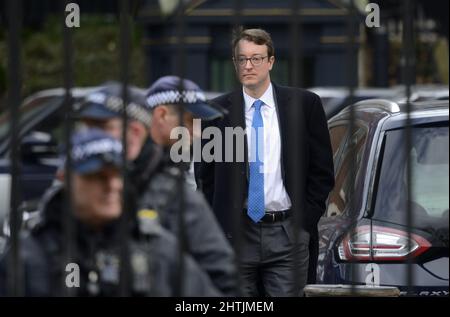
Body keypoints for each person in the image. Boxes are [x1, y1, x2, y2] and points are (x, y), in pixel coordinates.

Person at [196, 28, 335, 296]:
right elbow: (205, 178)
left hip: (288, 231)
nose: (248, 66)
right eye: (242, 59)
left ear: (271, 61)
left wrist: (304, 222)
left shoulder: (305, 105)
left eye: (256, 58)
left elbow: (322, 171)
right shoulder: (215, 113)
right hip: (235, 234)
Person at [0, 129, 221, 296]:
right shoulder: (28, 257)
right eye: (98, 176)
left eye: (118, 175)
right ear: (65, 179)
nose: (112, 185)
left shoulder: (159, 251)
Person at [76, 81, 238, 296]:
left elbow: (224, 281)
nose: (196, 134)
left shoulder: (174, 194)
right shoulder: (70, 187)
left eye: (100, 128)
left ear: (134, 134)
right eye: (88, 127)